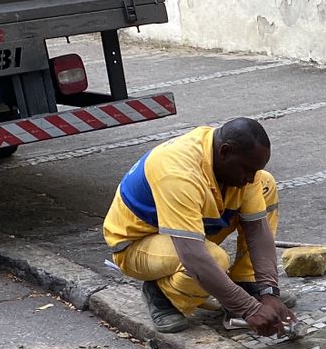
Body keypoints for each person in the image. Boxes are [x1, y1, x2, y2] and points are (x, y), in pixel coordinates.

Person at [103, 117, 296, 335]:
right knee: (213, 260)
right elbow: (193, 255)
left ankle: (245, 281)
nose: (251, 178)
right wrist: (247, 308)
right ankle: (161, 293)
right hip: (137, 243)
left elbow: (258, 231)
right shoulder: (177, 172)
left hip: (190, 229)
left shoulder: (234, 161)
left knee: (265, 184)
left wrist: (269, 293)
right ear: (224, 151)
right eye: (247, 169)